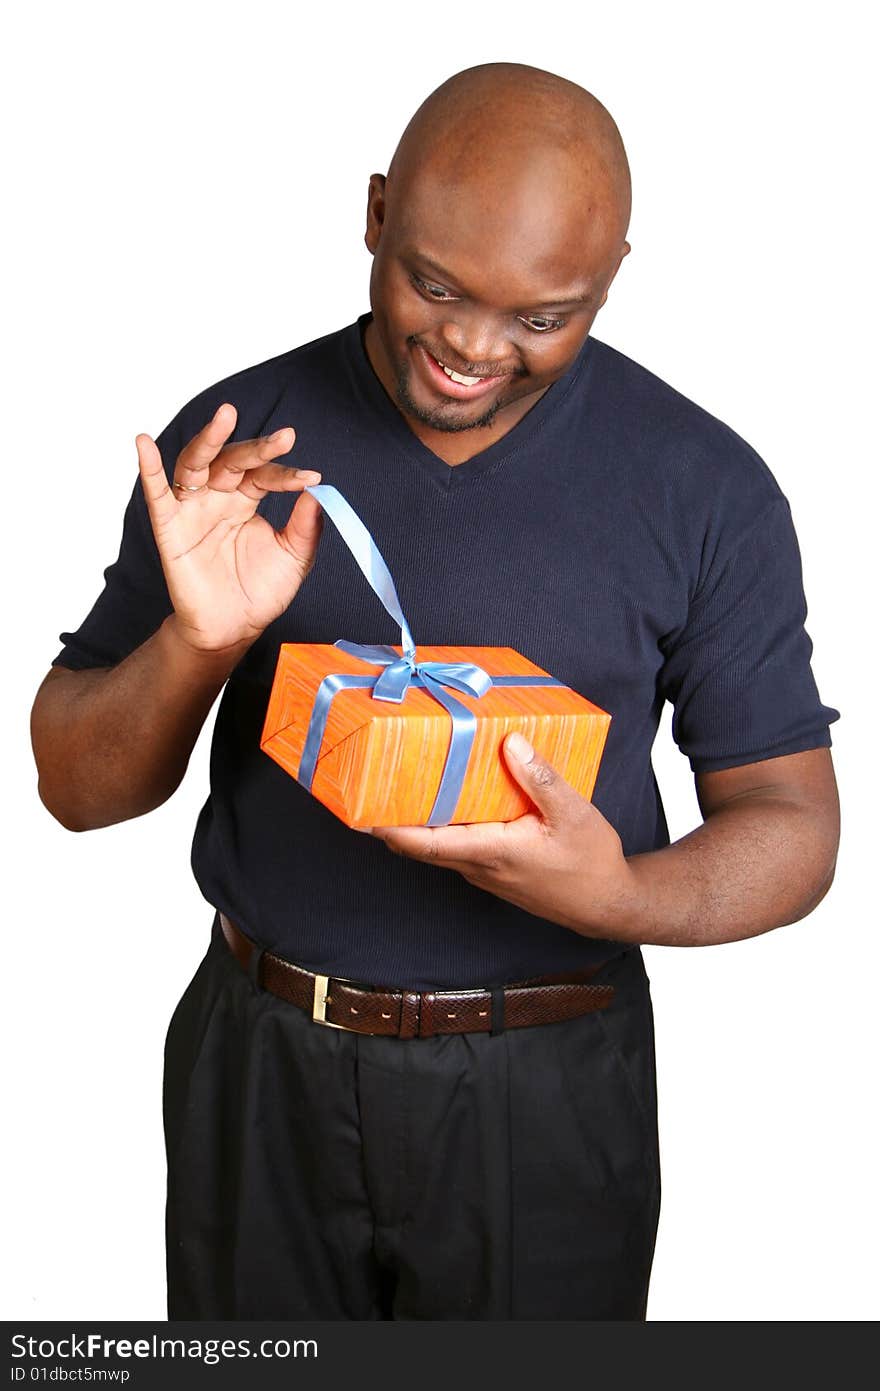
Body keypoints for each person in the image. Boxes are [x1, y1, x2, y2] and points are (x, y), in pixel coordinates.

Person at [30, 62, 840, 1321]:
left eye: (542, 317)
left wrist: (618, 890)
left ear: (613, 274)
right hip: (262, 1059)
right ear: (375, 213)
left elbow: (793, 823)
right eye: (436, 285)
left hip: (550, 1083)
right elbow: (76, 791)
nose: (471, 346)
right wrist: (199, 643)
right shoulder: (243, 443)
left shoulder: (704, 486)